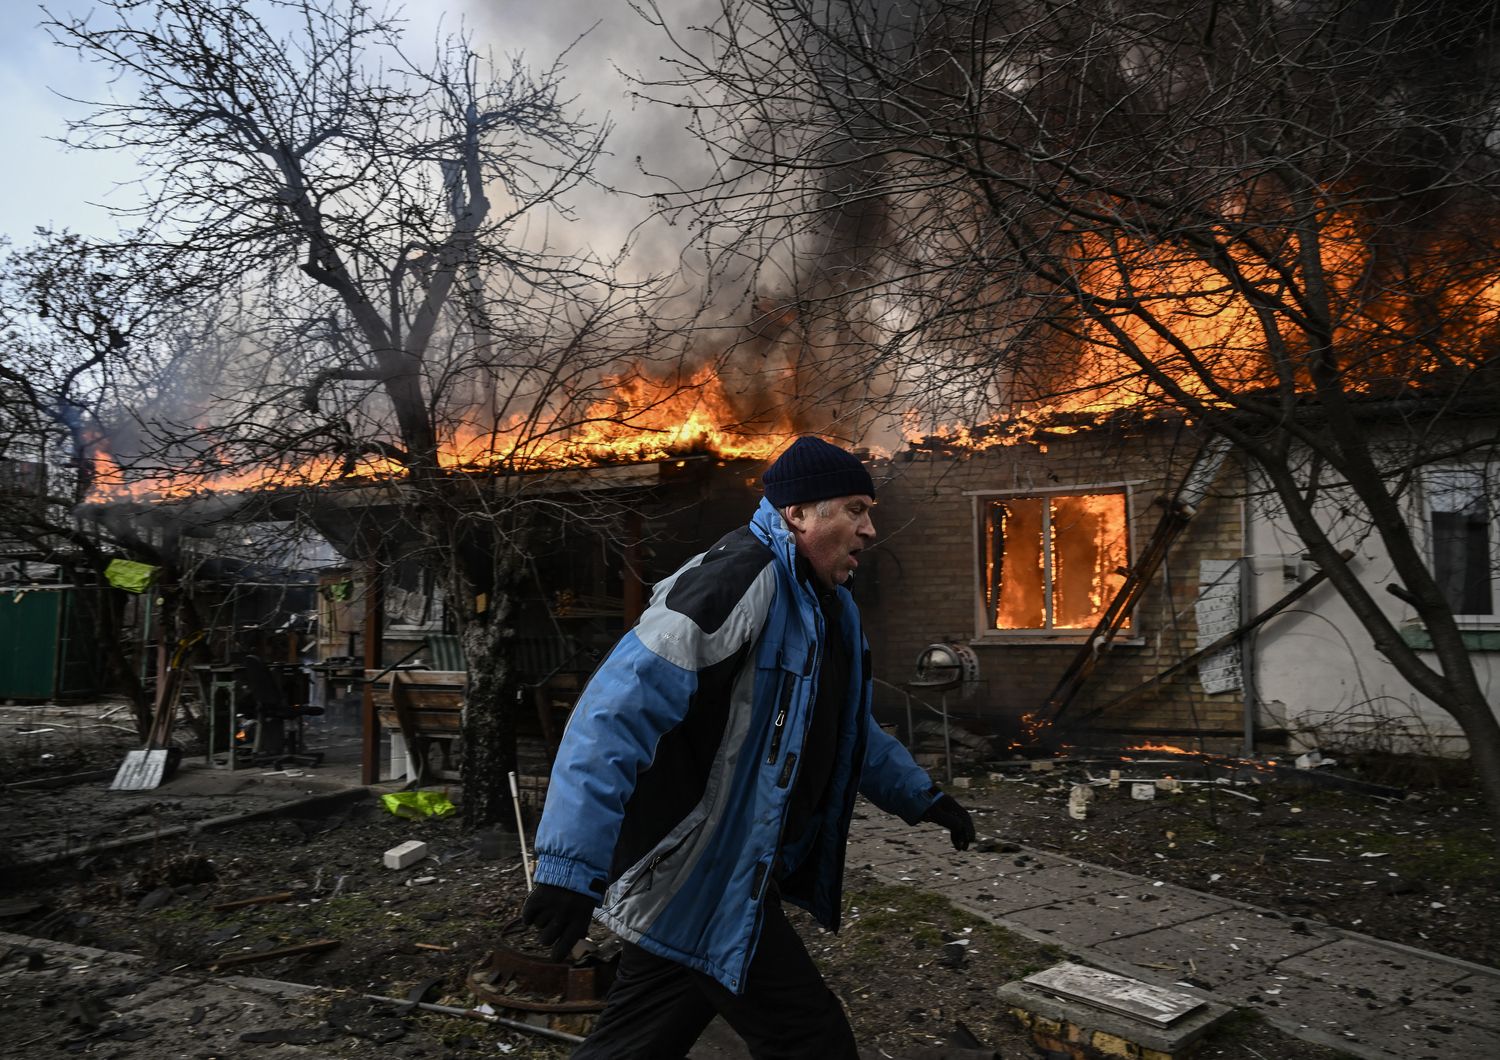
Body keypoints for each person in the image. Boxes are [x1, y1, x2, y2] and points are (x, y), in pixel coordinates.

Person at [522, 435, 976, 1059]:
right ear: (798, 513)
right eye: (855, 509)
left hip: (725, 874)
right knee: (812, 1040)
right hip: (696, 873)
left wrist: (921, 797)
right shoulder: (737, 580)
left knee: (643, 1039)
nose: (870, 531)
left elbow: (843, 726)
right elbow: (612, 715)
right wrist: (569, 868)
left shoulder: (825, 607)